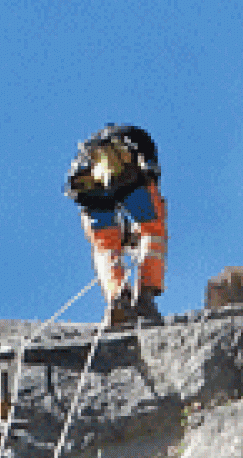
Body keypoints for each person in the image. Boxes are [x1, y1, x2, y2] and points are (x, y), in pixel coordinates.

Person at [65, 125, 168, 327]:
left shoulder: (88, 153)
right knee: (152, 230)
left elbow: (110, 213)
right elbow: (146, 203)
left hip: (86, 185)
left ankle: (118, 297)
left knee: (105, 247)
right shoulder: (137, 142)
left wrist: (126, 236)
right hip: (124, 175)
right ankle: (145, 297)